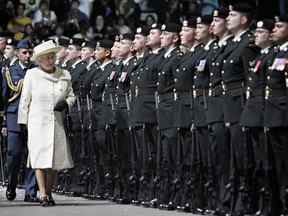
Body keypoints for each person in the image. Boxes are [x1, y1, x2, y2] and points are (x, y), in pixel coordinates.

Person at [17, 40, 75, 207]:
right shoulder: (32, 75)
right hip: (37, 122)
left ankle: (49, 192)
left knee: (54, 162)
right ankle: (42, 194)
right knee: (39, 159)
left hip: (56, 122)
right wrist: (23, 121)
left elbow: (71, 95)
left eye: (52, 57)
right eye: (47, 58)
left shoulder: (64, 74)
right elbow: (25, 99)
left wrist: (66, 103)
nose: (51, 60)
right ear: (39, 60)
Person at [1, 39, 38, 202]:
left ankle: (31, 192)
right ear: (17, 53)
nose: (28, 56)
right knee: (14, 156)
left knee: (33, 156)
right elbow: (4, 96)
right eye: (24, 52)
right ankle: (12, 184)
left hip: (33, 118)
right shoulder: (10, 71)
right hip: (14, 118)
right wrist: (3, 121)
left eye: (30, 52)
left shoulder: (37, 71)